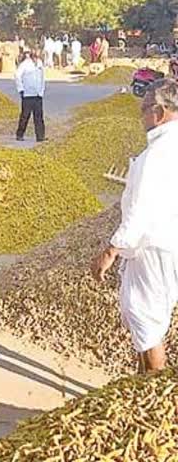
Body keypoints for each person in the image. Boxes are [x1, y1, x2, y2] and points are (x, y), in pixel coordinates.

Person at [91, 78, 178, 374]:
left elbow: (141, 209)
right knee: (149, 319)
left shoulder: (157, 154)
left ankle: (153, 393)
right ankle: (142, 382)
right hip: (167, 246)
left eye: (143, 109)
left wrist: (112, 249)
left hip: (152, 247)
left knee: (147, 320)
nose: (141, 116)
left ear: (160, 111)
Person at [15, 49, 46, 143]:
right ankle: (20, 134)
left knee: (39, 116)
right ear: (32, 55)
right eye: (35, 55)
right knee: (25, 116)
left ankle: (40, 136)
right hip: (27, 94)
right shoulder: (25, 64)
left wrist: (41, 91)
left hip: (38, 94)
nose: (37, 57)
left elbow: (42, 78)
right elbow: (17, 76)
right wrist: (21, 89)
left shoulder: (40, 63)